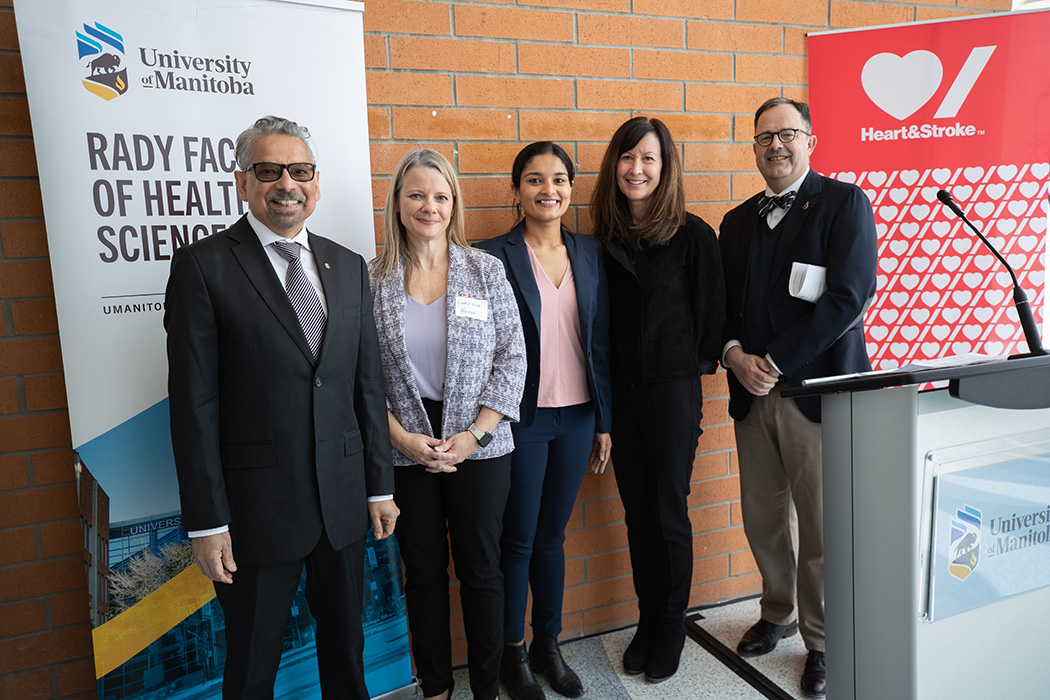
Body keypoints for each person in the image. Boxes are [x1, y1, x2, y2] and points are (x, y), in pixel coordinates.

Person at [164, 115, 399, 700]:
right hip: (254, 513)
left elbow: (365, 386)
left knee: (347, 649)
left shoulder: (348, 266)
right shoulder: (203, 266)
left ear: (315, 183)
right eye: (268, 171)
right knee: (252, 662)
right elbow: (193, 406)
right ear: (242, 182)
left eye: (299, 171)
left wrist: (378, 486)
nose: (286, 184)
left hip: (342, 504)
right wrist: (208, 523)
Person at [718, 97, 877, 699]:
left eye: (787, 134)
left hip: (814, 392)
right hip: (752, 397)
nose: (775, 145)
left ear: (812, 140)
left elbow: (848, 297)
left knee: (820, 525)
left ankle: (824, 641)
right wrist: (734, 354)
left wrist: (776, 361)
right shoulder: (736, 222)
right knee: (763, 517)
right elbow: (723, 307)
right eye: (764, 137)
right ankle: (777, 611)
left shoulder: (843, 204)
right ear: (754, 148)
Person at [369, 148, 526, 700]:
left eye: (439, 195)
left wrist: (475, 433)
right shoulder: (372, 280)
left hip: (480, 446)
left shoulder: (485, 270)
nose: (428, 205)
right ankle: (435, 688)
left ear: (453, 202)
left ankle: (487, 688)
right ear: (397, 202)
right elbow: (359, 380)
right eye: (416, 194)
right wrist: (405, 440)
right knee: (425, 576)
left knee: (482, 573)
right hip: (405, 447)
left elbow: (513, 358)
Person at [589, 117, 726, 684]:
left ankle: (671, 625)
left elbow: (711, 318)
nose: (636, 169)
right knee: (637, 513)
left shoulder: (693, 234)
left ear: (665, 167)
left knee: (668, 513)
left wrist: (676, 370)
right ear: (614, 166)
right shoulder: (605, 237)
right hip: (622, 394)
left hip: (672, 392)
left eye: (648, 159)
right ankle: (648, 620)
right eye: (627, 158)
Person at [476, 142, 613, 700]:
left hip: (578, 417)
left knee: (553, 537)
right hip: (521, 420)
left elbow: (600, 342)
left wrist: (605, 421)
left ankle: (546, 644)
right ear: (516, 190)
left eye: (558, 179)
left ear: (571, 188)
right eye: (534, 180)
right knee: (518, 539)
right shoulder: (490, 256)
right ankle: (512, 654)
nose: (547, 190)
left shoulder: (590, 252)